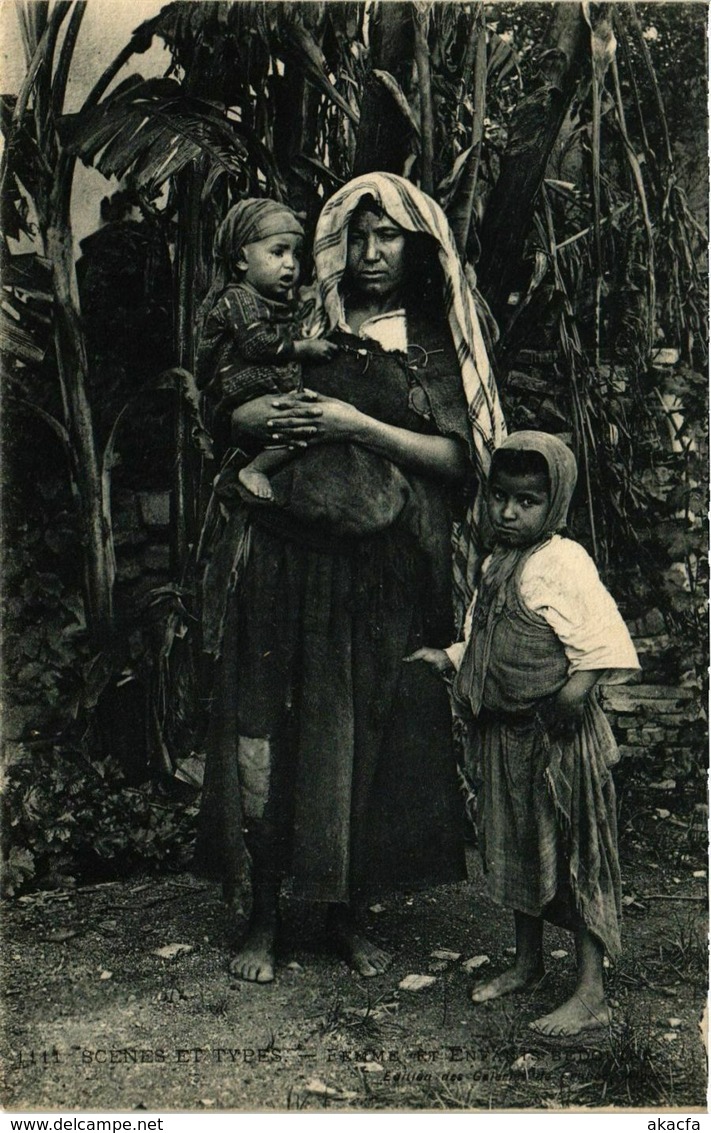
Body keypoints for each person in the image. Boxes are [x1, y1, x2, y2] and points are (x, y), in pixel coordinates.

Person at [197, 173, 505, 984]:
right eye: (358, 236)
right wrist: (247, 420)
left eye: (389, 237)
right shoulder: (302, 315)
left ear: (416, 244)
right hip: (284, 555)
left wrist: (355, 424)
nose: (370, 253)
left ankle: (342, 914)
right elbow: (227, 408)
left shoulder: (439, 338)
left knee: (366, 734)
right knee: (270, 726)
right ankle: (262, 916)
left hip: (381, 565)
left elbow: (461, 458)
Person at [406, 431, 639, 1037]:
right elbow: (494, 641)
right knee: (513, 847)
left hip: (555, 742)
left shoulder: (564, 561)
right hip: (504, 739)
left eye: (527, 501)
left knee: (574, 851)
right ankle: (528, 962)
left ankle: (592, 992)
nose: (509, 512)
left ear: (554, 503)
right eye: (500, 498)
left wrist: (572, 696)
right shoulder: (496, 564)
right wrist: (453, 657)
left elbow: (602, 643)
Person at [196, 197, 337, 500]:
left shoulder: (272, 302)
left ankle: (249, 466)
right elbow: (257, 344)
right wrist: (304, 348)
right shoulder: (238, 299)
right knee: (302, 424)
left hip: (266, 395)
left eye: (295, 255)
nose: (290, 264)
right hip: (236, 401)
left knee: (308, 425)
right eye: (277, 252)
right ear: (242, 259)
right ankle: (251, 469)